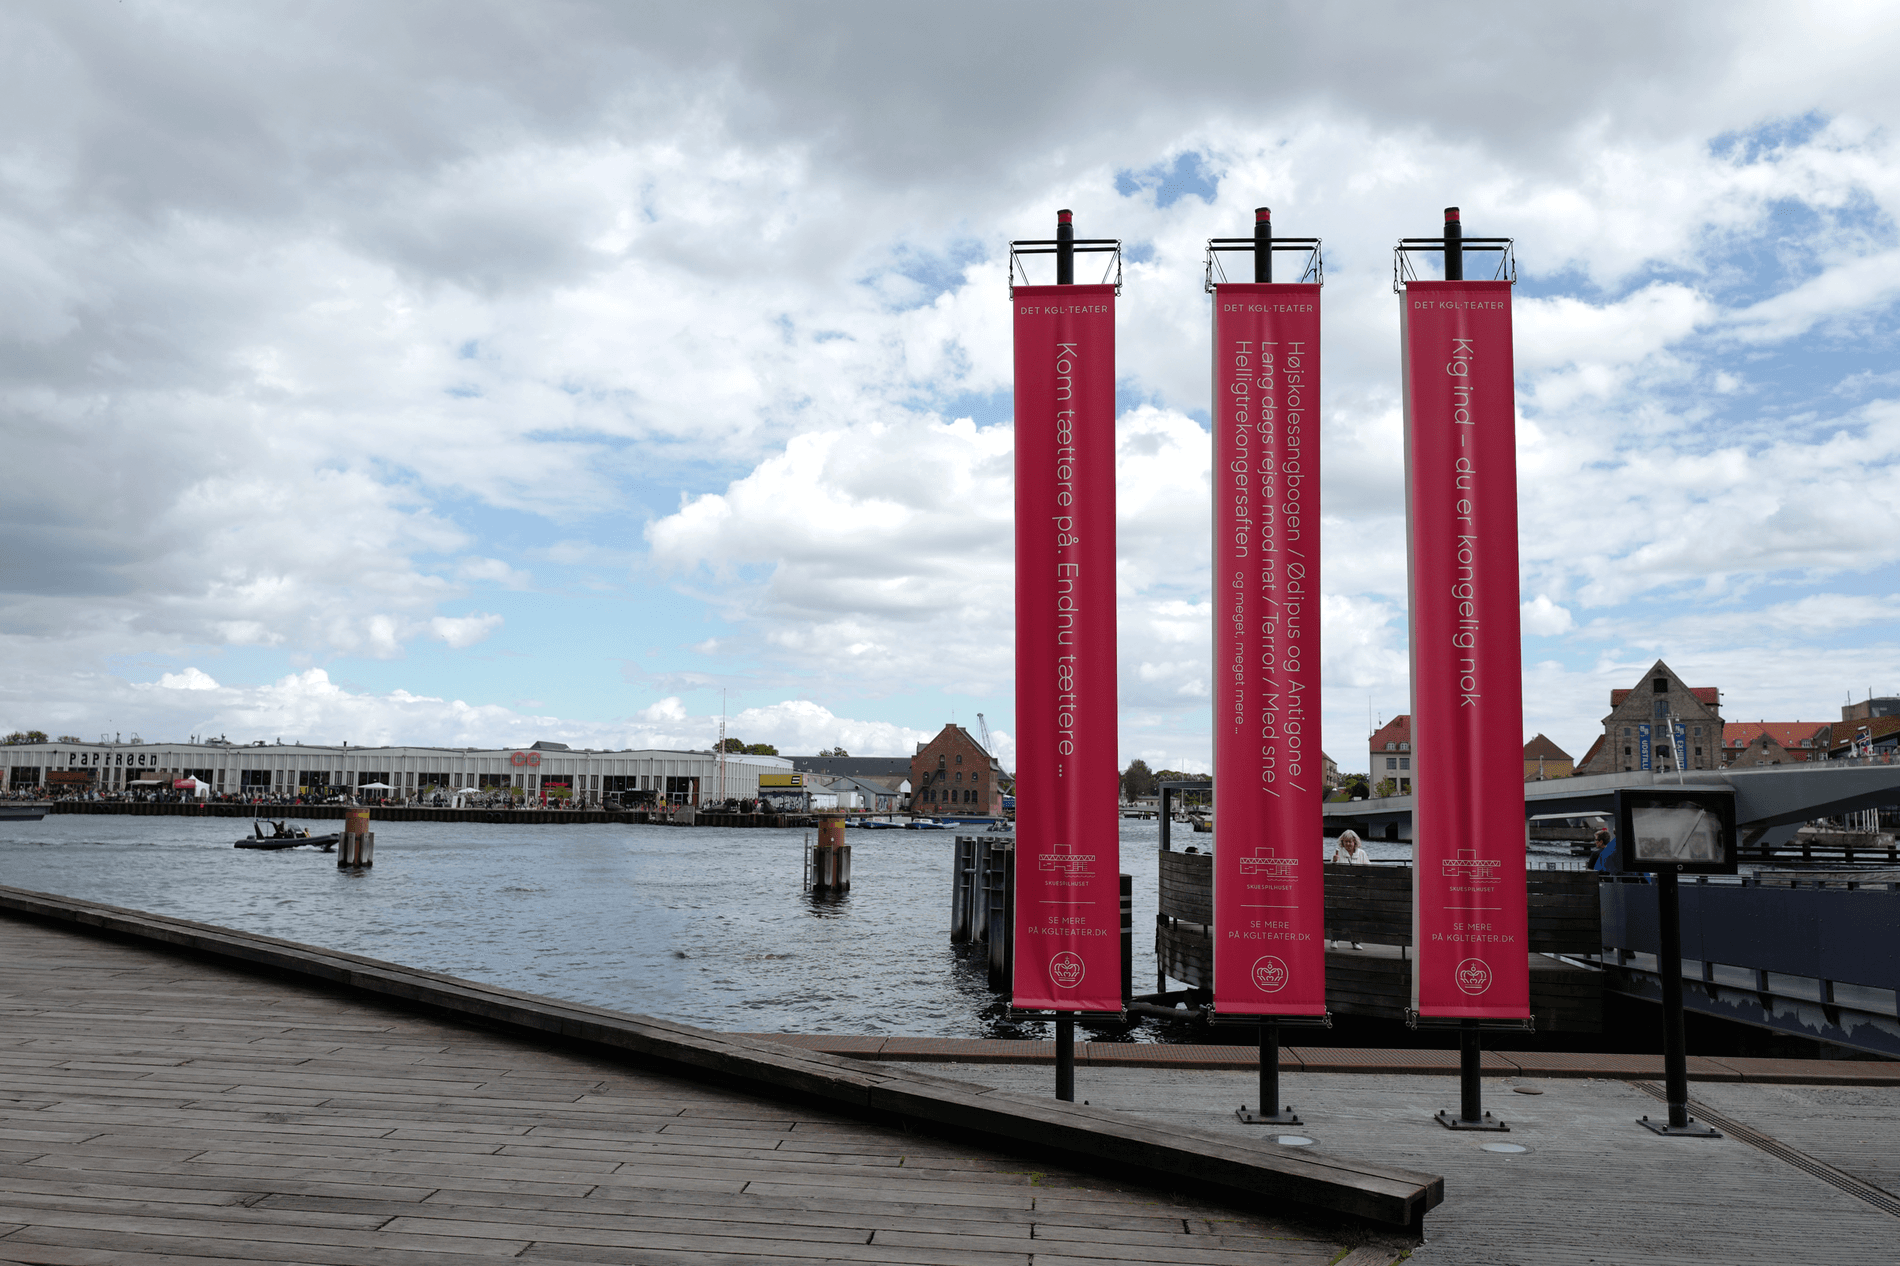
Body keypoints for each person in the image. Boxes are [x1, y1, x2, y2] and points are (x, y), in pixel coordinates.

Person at [1330, 830, 1370, 949]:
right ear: (1342, 842)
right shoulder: (1338, 852)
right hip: (1341, 891)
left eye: (1350, 842)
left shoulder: (1362, 853)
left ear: (1355, 842)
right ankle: (1334, 939)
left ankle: (1355, 941)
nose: (1348, 844)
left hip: (1356, 891)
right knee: (1339, 914)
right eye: (1345, 842)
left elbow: (1368, 868)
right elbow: (1332, 871)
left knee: (1355, 916)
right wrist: (1334, 861)